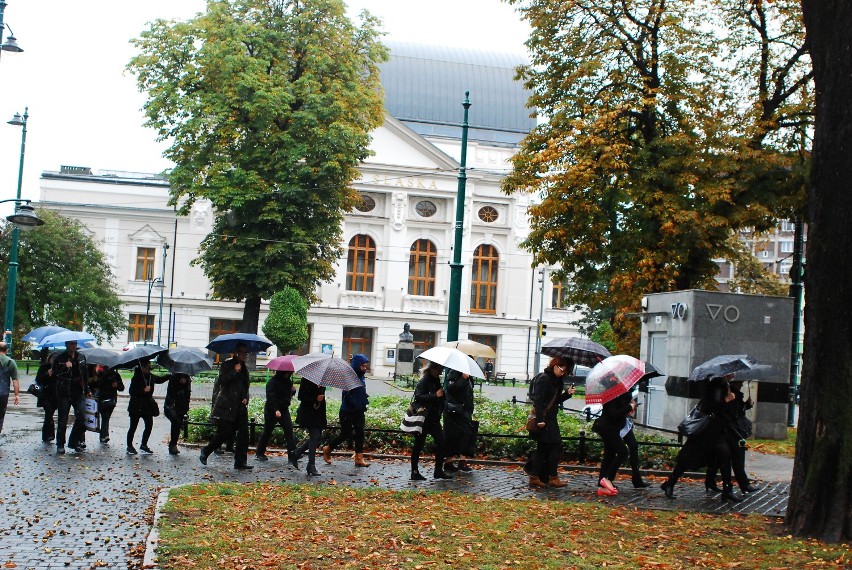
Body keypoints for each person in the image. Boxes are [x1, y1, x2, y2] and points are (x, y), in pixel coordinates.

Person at [661, 376, 742, 502]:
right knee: (687, 459)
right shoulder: (715, 384)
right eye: (732, 373)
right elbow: (710, 406)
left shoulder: (725, 385)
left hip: (718, 430)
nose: (734, 375)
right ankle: (669, 484)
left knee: (725, 458)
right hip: (706, 431)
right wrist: (727, 399)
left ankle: (727, 489)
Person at [200, 344, 253, 469]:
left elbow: (245, 386)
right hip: (228, 405)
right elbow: (222, 381)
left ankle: (240, 461)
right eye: (243, 353)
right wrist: (234, 371)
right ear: (236, 353)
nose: (245, 355)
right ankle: (206, 451)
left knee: (244, 434)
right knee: (224, 433)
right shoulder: (227, 364)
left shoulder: (244, 367)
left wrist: (246, 397)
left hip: (240, 405)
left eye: (246, 353)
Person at [526, 356, 575, 488]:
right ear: (554, 366)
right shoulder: (544, 379)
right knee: (554, 446)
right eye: (561, 369)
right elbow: (539, 401)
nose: (563, 372)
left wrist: (567, 394)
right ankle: (550, 476)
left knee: (543, 448)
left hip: (551, 417)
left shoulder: (556, 381)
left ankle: (536, 476)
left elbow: (555, 401)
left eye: (565, 371)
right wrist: (540, 420)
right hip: (545, 419)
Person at [706, 376, 759, 493]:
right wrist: (728, 400)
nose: (741, 384)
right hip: (728, 431)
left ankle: (714, 483)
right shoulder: (723, 390)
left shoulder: (733, 392)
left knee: (721, 459)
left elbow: (736, 411)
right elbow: (719, 408)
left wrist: (747, 405)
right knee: (733, 458)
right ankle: (738, 485)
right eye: (740, 382)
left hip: (731, 430)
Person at [322, 354, 371, 468]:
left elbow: (359, 391)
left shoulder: (361, 376)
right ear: (357, 365)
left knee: (360, 433)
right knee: (346, 434)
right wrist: (355, 403)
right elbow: (346, 395)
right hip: (347, 411)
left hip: (359, 410)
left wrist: (363, 398)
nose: (365, 368)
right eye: (363, 366)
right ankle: (328, 449)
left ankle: (359, 458)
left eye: (366, 366)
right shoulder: (348, 377)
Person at [409, 360, 452, 481]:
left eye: (441, 371)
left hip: (433, 419)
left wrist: (442, 397)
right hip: (423, 418)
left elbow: (439, 398)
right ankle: (414, 471)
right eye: (438, 370)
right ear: (432, 369)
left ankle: (438, 470)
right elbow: (418, 396)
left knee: (441, 443)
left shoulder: (436, 380)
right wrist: (435, 395)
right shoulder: (424, 380)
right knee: (418, 445)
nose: (440, 373)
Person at [593, 386, 634, 496]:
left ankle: (602, 486)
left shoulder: (621, 392)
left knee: (609, 455)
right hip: (607, 428)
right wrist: (629, 406)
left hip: (613, 428)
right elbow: (613, 414)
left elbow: (619, 410)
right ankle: (607, 479)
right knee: (623, 452)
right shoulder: (611, 392)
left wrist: (629, 407)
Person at [255, 369, 298, 466]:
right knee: (267, 431)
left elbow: (287, 396)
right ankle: (259, 453)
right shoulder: (272, 382)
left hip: (284, 409)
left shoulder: (288, 382)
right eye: (288, 372)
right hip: (272, 410)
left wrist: (293, 391)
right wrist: (276, 410)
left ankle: (293, 455)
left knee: (289, 431)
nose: (289, 374)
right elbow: (271, 397)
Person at [53, 340, 89, 454]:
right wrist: (65, 367)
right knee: (63, 419)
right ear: (66, 345)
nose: (73, 346)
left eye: (75, 344)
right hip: (64, 392)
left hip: (78, 391)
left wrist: (87, 389)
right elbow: (55, 373)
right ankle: (60, 443)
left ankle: (74, 441)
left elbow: (85, 375)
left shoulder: (81, 357)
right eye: (71, 344)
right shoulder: (60, 358)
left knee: (82, 417)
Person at [126, 359, 169, 455]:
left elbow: (159, 379)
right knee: (133, 426)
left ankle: (144, 444)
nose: (149, 368)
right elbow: (131, 391)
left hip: (147, 405)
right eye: (147, 366)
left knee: (149, 425)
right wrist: (143, 390)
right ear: (142, 367)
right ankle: (129, 446)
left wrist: (169, 375)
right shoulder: (136, 378)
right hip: (136, 405)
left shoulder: (150, 377)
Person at [442, 368, 476, 473]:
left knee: (466, 434)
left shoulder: (467, 375)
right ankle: (449, 462)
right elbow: (451, 388)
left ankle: (462, 460)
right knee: (453, 436)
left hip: (464, 411)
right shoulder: (453, 373)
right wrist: (462, 378)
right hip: (454, 411)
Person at [292, 377, 327, 476]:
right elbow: (301, 396)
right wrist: (315, 398)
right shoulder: (307, 379)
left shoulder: (323, 380)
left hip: (319, 413)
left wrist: (320, 399)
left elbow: (321, 396)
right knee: (315, 436)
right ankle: (311, 465)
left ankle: (296, 453)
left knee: (316, 437)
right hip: (308, 413)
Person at [95, 364, 124, 444]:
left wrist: (117, 385)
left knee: (106, 418)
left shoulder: (115, 375)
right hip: (102, 399)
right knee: (105, 417)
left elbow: (122, 388)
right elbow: (97, 384)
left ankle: (103, 435)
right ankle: (104, 435)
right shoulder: (101, 374)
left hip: (112, 399)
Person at [164, 372, 192, 455]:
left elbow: (187, 393)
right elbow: (171, 391)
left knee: (178, 424)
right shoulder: (174, 376)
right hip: (172, 405)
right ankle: (172, 445)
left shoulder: (187, 377)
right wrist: (179, 383)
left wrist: (186, 407)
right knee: (175, 422)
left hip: (182, 406)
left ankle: (173, 444)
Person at [34, 350, 59, 443]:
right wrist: (47, 374)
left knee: (50, 414)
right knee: (48, 413)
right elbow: (38, 379)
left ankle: (48, 434)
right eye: (53, 359)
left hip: (55, 395)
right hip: (45, 395)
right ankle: (48, 435)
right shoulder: (44, 367)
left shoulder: (59, 368)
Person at [0, 341, 20, 437]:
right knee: (1, 414)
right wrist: (16, 395)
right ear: (7, 350)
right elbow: (15, 380)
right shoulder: (11, 362)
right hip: (3, 392)